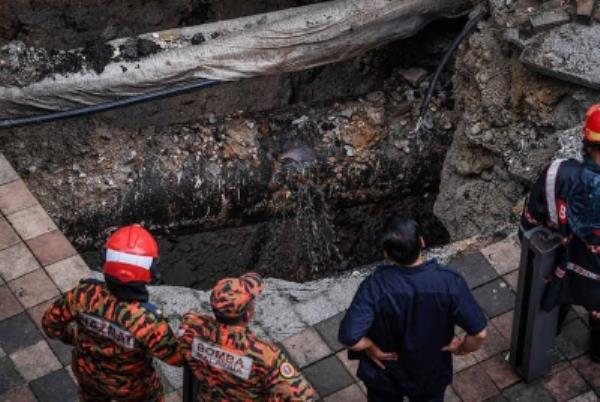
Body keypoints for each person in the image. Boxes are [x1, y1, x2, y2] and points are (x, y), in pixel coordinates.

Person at [338, 215, 488, 402]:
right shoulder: (450, 283)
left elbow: (349, 336)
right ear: (422, 242)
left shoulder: (374, 287)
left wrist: (370, 346)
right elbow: (479, 334)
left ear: (386, 253)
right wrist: (461, 349)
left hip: (386, 373)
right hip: (430, 370)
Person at [42, 224, 182, 402]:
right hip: (133, 388)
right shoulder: (148, 321)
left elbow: (50, 325)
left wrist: (76, 338)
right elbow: (176, 358)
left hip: (88, 375)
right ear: (150, 272)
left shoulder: (84, 294)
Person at [521, 104, 600, 362]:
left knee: (557, 299)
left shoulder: (558, 174)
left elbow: (531, 222)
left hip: (559, 268)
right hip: (596, 281)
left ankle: (548, 332)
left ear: (585, 142)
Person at [178, 272, 316, 401]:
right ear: (247, 315)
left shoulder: (191, 326)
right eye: (252, 302)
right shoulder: (265, 356)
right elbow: (301, 396)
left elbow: (181, 356)